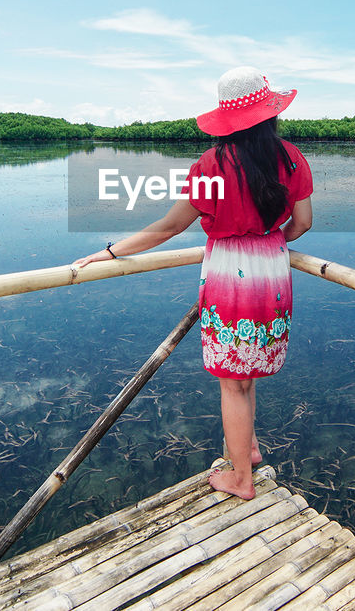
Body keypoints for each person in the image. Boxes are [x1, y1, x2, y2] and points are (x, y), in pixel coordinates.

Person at [73, 66, 313, 499]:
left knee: (231, 380)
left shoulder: (212, 166)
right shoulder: (291, 158)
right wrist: (268, 240)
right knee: (249, 371)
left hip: (228, 273)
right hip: (272, 268)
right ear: (269, 113)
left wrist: (109, 252)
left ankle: (240, 479)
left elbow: (167, 228)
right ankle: (250, 449)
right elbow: (303, 223)